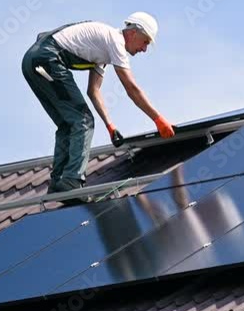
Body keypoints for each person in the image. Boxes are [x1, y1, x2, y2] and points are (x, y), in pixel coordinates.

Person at [22, 13, 175, 198]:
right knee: (83, 120)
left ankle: (59, 183)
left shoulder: (104, 50)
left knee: (68, 124)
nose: (144, 49)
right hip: (47, 59)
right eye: (145, 42)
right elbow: (132, 88)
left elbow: (93, 91)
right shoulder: (116, 42)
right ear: (134, 33)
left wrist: (110, 125)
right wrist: (158, 119)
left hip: (34, 62)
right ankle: (72, 181)